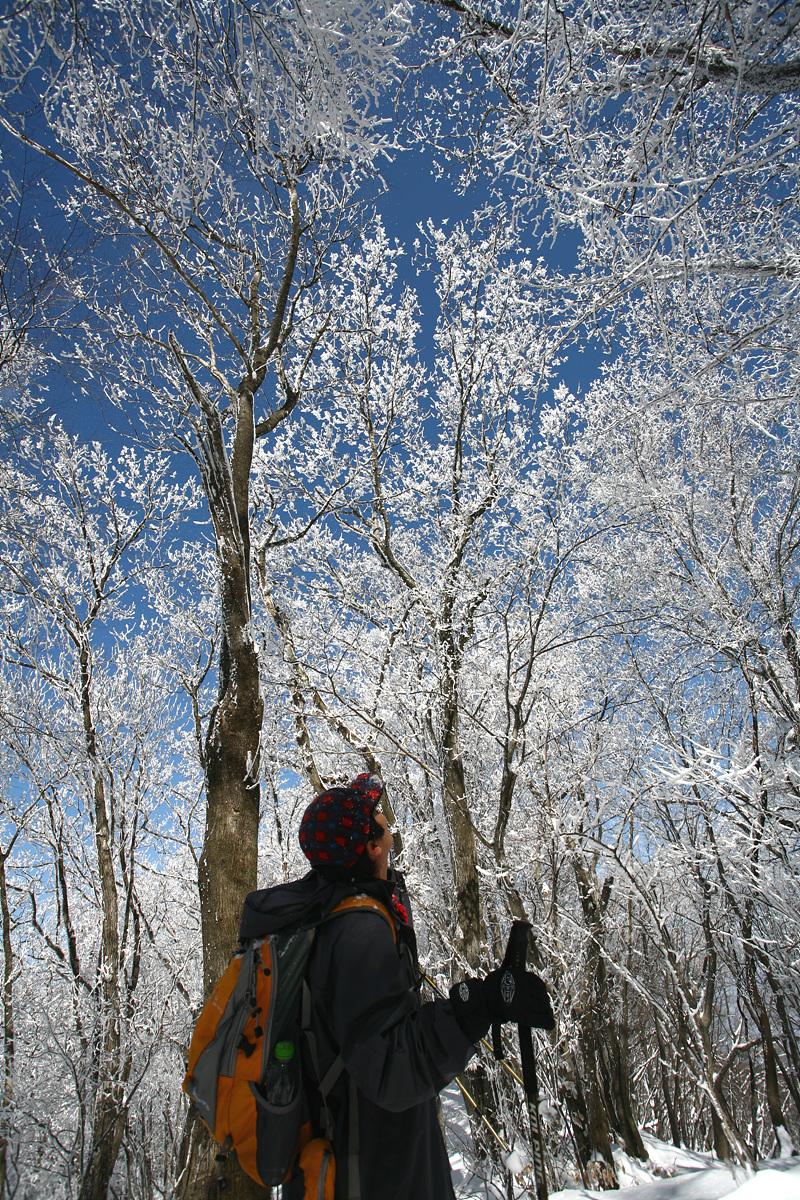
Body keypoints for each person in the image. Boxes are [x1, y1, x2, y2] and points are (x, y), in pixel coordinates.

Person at [240, 773, 555, 1200]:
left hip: (358, 1156)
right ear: (371, 846)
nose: (388, 820)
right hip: (374, 1170)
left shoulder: (329, 911)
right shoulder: (357, 931)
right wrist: (480, 1006)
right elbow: (390, 1065)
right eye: (378, 816)